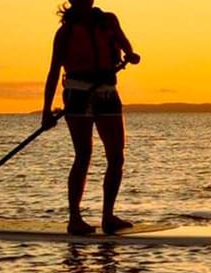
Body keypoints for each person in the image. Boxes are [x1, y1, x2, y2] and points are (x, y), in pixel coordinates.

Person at [40, 0, 141, 235]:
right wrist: (46, 110)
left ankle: (108, 217)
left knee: (116, 156)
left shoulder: (108, 21)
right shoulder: (65, 33)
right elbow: (54, 70)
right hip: (78, 93)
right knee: (83, 154)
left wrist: (131, 55)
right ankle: (75, 218)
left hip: (106, 92)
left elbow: (127, 47)